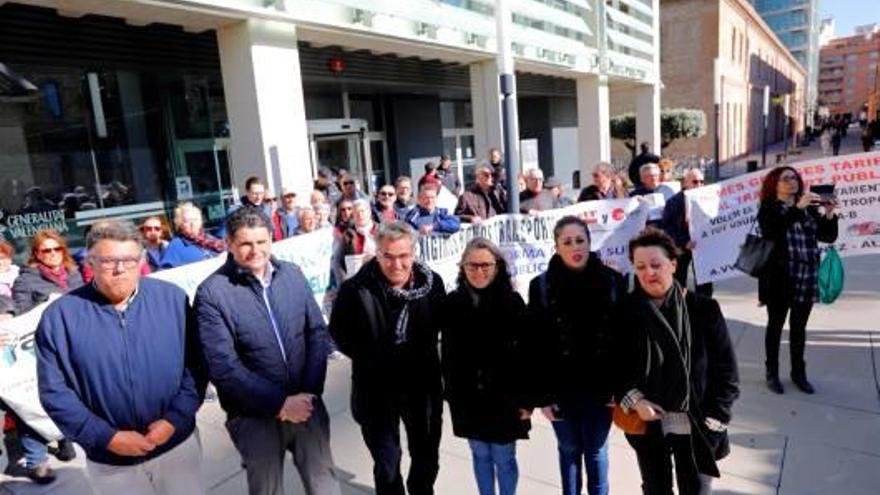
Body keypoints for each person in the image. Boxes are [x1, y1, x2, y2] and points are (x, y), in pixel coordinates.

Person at [36, 220, 207, 495]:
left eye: (129, 260)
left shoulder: (172, 300)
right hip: (112, 462)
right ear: (90, 262)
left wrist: (174, 419)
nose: (120, 269)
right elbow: (55, 393)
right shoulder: (59, 318)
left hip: (177, 446)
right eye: (108, 261)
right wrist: (107, 438)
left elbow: (197, 367)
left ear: (141, 260)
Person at [194, 207, 341, 495]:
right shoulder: (212, 293)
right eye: (245, 243)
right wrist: (280, 404)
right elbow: (223, 366)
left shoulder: (292, 274)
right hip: (253, 417)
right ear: (229, 244)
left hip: (307, 405)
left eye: (261, 241)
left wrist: (309, 393)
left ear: (271, 240)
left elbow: (315, 332)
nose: (255, 250)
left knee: (325, 483)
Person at [613, 228, 740, 495]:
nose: (649, 273)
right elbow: (615, 369)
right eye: (641, 267)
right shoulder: (624, 311)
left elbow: (726, 372)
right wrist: (636, 401)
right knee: (655, 488)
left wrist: (716, 420)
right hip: (649, 424)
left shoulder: (704, 309)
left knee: (695, 488)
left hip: (697, 424)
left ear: (673, 264)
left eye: (656, 265)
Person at [329, 222, 446, 495]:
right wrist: (371, 356)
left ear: (413, 254)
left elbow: (448, 323)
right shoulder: (356, 289)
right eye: (388, 256)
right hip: (376, 389)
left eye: (403, 256)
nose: (397, 264)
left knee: (426, 455)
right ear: (377, 254)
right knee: (387, 463)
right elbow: (338, 331)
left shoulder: (432, 283)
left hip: (422, 386)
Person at [524, 216, 624, 495]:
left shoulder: (612, 281)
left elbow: (623, 340)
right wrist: (542, 397)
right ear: (556, 247)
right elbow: (534, 346)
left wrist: (620, 387)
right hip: (560, 389)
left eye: (580, 240)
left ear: (590, 243)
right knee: (568, 449)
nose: (575, 247)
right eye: (567, 242)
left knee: (595, 450)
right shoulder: (541, 286)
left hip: (601, 388)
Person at [442, 238, 530, 495]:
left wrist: (527, 399)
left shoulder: (512, 303)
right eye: (472, 265)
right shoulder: (453, 303)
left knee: (503, 456)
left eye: (486, 265)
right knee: (479, 454)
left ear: (497, 266)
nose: (479, 271)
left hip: (505, 399)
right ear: (463, 268)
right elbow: (447, 355)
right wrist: (451, 394)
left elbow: (526, 356)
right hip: (469, 399)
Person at [757, 166, 839, 395]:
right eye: (786, 179)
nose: (792, 182)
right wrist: (797, 208)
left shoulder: (809, 207)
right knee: (775, 326)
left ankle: (798, 372)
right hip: (780, 277)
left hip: (807, 275)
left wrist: (829, 214)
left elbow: (827, 236)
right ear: (775, 184)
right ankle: (771, 372)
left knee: (799, 328)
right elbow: (773, 232)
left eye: (794, 178)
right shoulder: (768, 209)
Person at [661, 168, 713, 296]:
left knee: (705, 282)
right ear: (685, 183)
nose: (699, 185)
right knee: (679, 280)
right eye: (695, 182)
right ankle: (679, 308)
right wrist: (684, 242)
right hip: (682, 247)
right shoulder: (673, 202)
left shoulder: (710, 199)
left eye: (702, 181)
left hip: (703, 246)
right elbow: (667, 228)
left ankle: (703, 309)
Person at [12, 229, 85, 315]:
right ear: (37, 254)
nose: (53, 253)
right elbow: (20, 313)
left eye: (57, 249)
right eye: (47, 251)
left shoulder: (75, 272)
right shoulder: (25, 281)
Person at [161, 202, 225, 269]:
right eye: (187, 221)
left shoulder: (212, 240)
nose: (193, 223)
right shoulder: (175, 245)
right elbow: (165, 272)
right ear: (180, 224)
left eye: (195, 219)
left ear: (201, 222)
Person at [332, 199, 379, 283]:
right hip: (357, 282)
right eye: (356, 213)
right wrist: (345, 282)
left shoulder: (382, 231)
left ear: (369, 212)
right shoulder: (347, 235)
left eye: (362, 211)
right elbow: (337, 261)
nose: (360, 215)